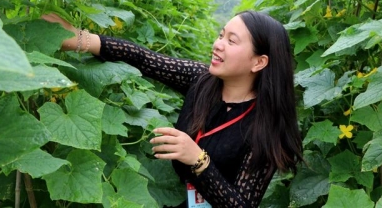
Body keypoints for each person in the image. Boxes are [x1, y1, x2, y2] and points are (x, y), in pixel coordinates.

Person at [42, 11, 303, 207]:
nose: (218, 44)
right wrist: (79, 39)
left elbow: (241, 205)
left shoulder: (266, 127)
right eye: (220, 35)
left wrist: (198, 160)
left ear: (259, 62)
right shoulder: (201, 81)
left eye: (232, 41)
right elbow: (143, 59)